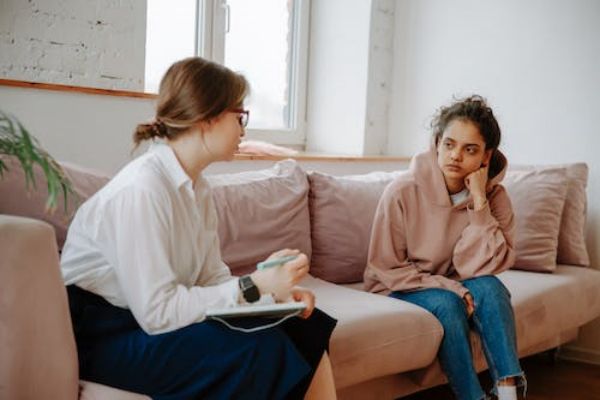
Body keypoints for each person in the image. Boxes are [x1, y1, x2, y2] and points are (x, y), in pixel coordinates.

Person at [60, 57, 337, 400]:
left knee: (302, 324)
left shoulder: (198, 189)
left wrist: (271, 295)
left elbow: (211, 279)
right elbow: (157, 313)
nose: (243, 131)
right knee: (260, 350)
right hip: (102, 334)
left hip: (141, 320)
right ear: (208, 118)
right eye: (239, 117)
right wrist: (252, 285)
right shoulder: (143, 189)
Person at [364, 95, 525, 400]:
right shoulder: (401, 192)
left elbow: (488, 267)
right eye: (449, 144)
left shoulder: (495, 198)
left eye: (470, 149)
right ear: (437, 143)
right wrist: (453, 288)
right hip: (399, 286)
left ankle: (509, 394)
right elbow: (385, 267)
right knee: (448, 304)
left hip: (454, 283)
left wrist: (479, 203)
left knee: (491, 288)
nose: (455, 156)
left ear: (487, 156)